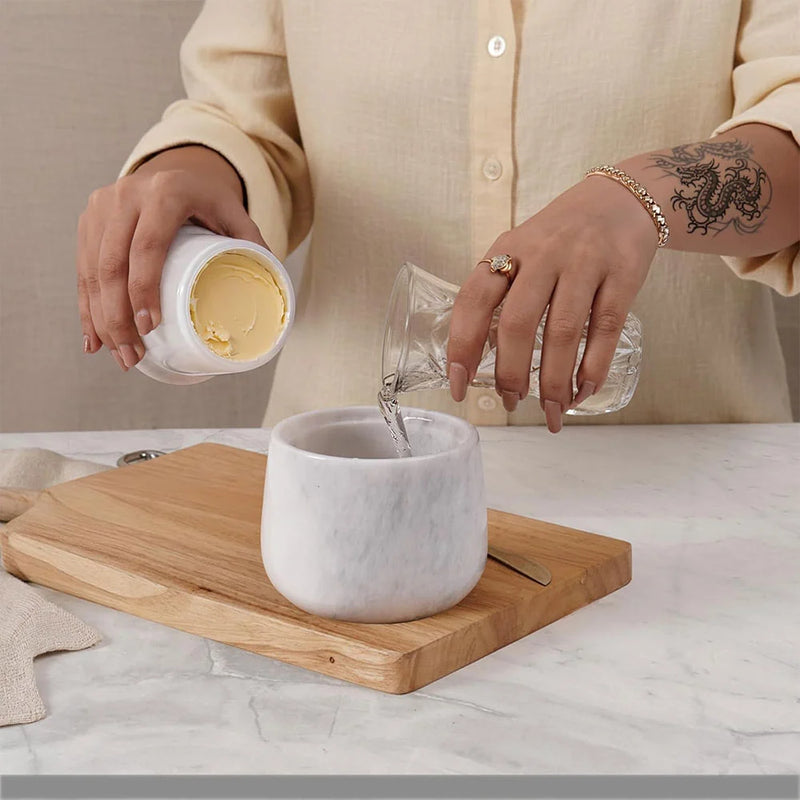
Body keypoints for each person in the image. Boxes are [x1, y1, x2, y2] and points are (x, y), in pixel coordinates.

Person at [76, 1, 800, 433]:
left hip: (691, 491)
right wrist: (182, 177)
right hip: (345, 469)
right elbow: (244, 118)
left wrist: (642, 196)